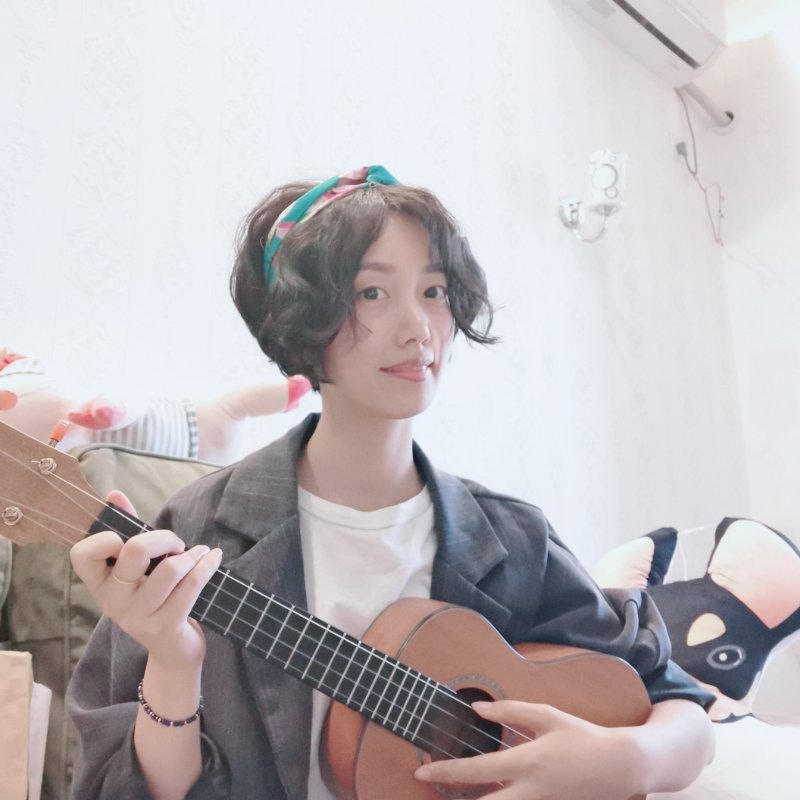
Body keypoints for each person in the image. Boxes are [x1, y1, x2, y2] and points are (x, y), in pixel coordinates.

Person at [68, 165, 715, 800]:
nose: (418, 329)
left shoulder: (513, 537)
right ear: (302, 318)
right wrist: (173, 664)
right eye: (372, 294)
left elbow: (676, 704)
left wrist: (625, 761)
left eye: (434, 291)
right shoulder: (197, 533)